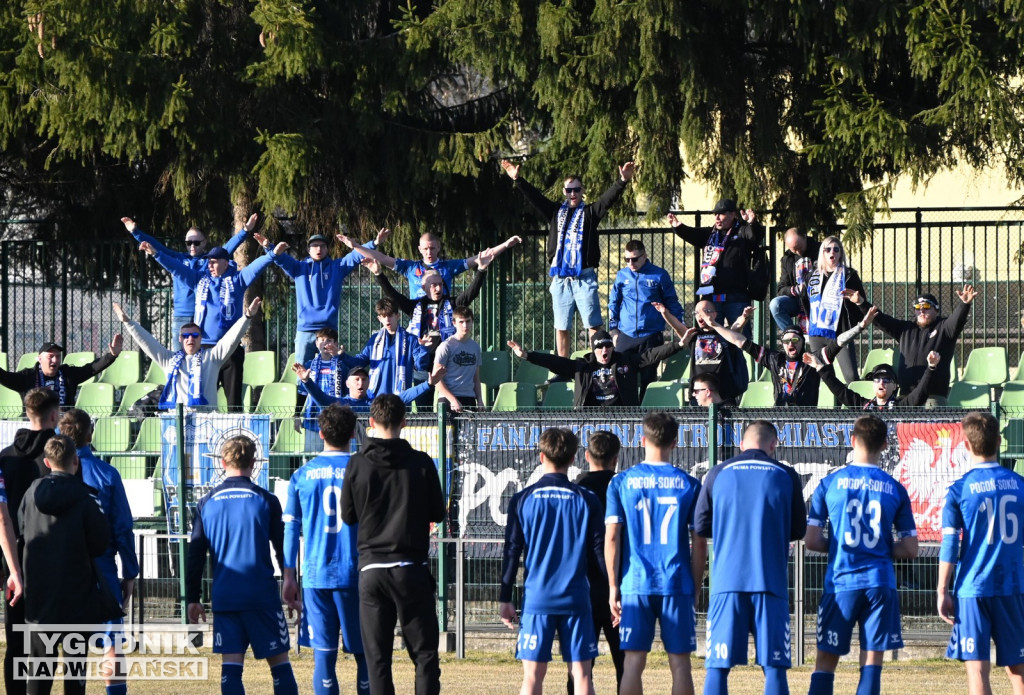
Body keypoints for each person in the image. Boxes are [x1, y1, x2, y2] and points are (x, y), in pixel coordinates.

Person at [804, 414, 919, 695]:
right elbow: (910, 548)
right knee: (871, 663)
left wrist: (843, 544)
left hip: (841, 582)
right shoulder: (895, 488)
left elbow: (811, 541)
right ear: (884, 445)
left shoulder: (829, 484)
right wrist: (877, 547)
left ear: (852, 440)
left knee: (825, 662)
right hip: (880, 582)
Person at [340, 394, 444, 695]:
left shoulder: (357, 464)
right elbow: (437, 512)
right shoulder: (421, 462)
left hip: (372, 568)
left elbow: (348, 515)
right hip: (410, 566)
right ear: (404, 422)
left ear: (371, 422)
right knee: (424, 655)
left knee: (378, 659)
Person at [694, 420, 807, 695]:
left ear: (742, 445)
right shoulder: (786, 475)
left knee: (718, 666)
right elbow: (798, 530)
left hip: (726, 583)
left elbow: (700, 525)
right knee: (774, 666)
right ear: (773, 445)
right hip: (770, 581)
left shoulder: (718, 473)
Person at [186, 435, 299, 695]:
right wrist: (292, 585)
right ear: (254, 462)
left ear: (223, 462)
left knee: (231, 669)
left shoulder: (207, 503)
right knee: (280, 666)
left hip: (226, 597)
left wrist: (193, 597)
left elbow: (195, 554)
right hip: (261, 596)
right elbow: (282, 549)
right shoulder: (266, 500)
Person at [605, 412, 706, 695]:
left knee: (633, 661)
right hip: (676, 582)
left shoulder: (622, 482)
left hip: (636, 583)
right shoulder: (689, 484)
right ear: (675, 442)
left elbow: (612, 536)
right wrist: (696, 586)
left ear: (642, 440)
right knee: (681, 664)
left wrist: (613, 587)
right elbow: (699, 542)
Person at [499, 427, 603, 695]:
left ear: (541, 456)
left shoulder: (523, 499)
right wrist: (612, 590)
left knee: (533, 677)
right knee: (582, 675)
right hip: (577, 598)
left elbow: (512, 549)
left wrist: (505, 596)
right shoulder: (587, 499)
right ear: (573, 459)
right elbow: (598, 551)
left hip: (537, 599)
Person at [19, 434, 124, 695]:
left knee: (38, 669)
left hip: (39, 596)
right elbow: (100, 543)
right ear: (76, 461)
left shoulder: (31, 494)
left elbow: (21, 533)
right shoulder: (87, 498)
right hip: (77, 594)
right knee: (75, 668)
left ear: (46, 462)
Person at [501, 158, 637, 357]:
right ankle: (562, 367)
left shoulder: (590, 212)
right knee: (561, 326)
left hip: (584, 277)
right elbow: (536, 198)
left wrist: (622, 181)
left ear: (582, 191)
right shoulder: (556, 212)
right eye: (568, 190)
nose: (572, 194)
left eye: (576, 190)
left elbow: (607, 200)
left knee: (593, 325)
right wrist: (518, 180)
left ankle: (598, 363)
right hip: (561, 279)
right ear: (564, 192)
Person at [282, 404, 369, 695]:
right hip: (357, 574)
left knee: (324, 655)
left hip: (316, 574)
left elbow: (291, 529)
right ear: (354, 435)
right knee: (365, 656)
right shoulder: (365, 471)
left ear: (320, 433)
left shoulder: (302, 475)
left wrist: (289, 575)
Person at [937, 412, 1024, 695]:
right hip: (1012, 586)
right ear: (999, 441)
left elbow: (950, 545)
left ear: (966, 446)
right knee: (1019, 672)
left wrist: (942, 590)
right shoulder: (1020, 485)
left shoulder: (959, 490)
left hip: (973, 588)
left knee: (977, 670)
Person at [58, 409, 140, 695]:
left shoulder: (50, 478)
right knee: (112, 644)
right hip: (103, 569)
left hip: (64, 571)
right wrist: (130, 572)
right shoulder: (106, 473)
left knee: (68, 643)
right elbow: (123, 527)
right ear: (90, 434)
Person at [139, 241, 273, 407]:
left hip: (229, 351)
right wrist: (155, 254)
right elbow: (175, 268)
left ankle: (235, 432)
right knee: (202, 399)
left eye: (214, 262)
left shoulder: (237, 280)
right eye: (208, 262)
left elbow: (255, 268)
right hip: (205, 354)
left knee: (233, 402)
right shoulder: (199, 280)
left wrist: (272, 254)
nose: (210, 265)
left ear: (225, 262)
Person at [361, 250, 495, 406]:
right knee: (424, 410)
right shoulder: (415, 306)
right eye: (433, 285)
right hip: (423, 367)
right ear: (424, 286)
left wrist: (481, 270)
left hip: (447, 367)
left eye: (439, 284)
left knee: (450, 407)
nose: (437, 288)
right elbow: (393, 296)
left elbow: (470, 293)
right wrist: (378, 275)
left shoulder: (451, 303)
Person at [254, 228, 388, 365]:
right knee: (303, 373)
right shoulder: (299, 268)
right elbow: (280, 258)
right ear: (308, 250)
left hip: (328, 330)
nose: (319, 249)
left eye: (322, 246)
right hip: (304, 331)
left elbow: (355, 256)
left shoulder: (338, 267)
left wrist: (375, 242)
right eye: (314, 246)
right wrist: (267, 246)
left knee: (330, 371)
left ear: (327, 249)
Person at [693, 304, 872, 407]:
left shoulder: (813, 359)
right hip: (780, 416)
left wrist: (861, 327)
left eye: (795, 340)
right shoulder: (774, 359)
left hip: (806, 420)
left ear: (803, 342)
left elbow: (839, 342)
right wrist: (715, 325)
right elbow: (740, 341)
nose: (790, 344)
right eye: (786, 341)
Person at [1, 388, 60, 695]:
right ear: (54, 416)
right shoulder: (57, 460)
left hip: (11, 560)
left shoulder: (4, 457)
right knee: (44, 644)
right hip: (47, 562)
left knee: (16, 643)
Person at [114, 298, 261, 411]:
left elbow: (230, 339)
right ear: (180, 339)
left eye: (195, 335)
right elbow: (147, 343)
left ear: (200, 338)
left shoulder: (212, 357)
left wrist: (247, 317)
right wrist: (128, 322)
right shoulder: (169, 359)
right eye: (186, 336)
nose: (190, 339)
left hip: (206, 420)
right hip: (178, 421)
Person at [122, 214, 256, 338]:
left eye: (196, 242)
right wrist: (135, 232)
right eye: (188, 242)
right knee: (179, 359)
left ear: (204, 242)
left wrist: (245, 231)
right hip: (181, 317)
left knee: (202, 359)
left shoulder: (210, 262)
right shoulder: (178, 259)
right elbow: (157, 247)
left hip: (203, 316)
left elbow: (228, 248)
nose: (192, 246)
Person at [850, 286, 977, 406]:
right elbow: (880, 318)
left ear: (936, 310)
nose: (921, 310)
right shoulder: (905, 329)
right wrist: (861, 302)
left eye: (926, 306)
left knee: (929, 429)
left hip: (932, 397)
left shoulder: (945, 328)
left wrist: (964, 305)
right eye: (917, 307)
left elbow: (957, 320)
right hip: (906, 397)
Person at [569, 431, 624, 693]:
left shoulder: (576, 491)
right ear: (616, 458)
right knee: (625, 664)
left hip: (584, 586)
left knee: (580, 667)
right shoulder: (623, 488)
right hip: (619, 585)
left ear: (587, 456)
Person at [507, 329, 684, 408]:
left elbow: (652, 354)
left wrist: (679, 344)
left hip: (621, 416)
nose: (604, 350)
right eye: (600, 347)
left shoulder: (626, 361)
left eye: (608, 346)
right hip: (590, 417)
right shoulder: (582, 367)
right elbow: (554, 362)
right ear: (594, 349)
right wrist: (527, 355)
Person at [668, 199, 765, 334]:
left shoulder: (742, 231)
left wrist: (752, 223)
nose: (717, 218)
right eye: (715, 214)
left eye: (721, 214)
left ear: (733, 215)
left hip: (736, 297)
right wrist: (677, 226)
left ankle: (741, 357)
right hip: (711, 297)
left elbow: (756, 235)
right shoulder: (710, 234)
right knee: (712, 339)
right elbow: (692, 233)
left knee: (741, 339)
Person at [338, 229, 520, 299]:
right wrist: (355, 246)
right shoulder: (410, 267)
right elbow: (382, 258)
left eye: (432, 248)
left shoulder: (448, 267)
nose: (429, 252)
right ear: (419, 249)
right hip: (419, 319)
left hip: (443, 320)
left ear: (438, 247)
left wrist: (505, 244)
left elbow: (480, 258)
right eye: (425, 249)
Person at [608, 239, 684, 392]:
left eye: (634, 259)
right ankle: (624, 413)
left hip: (650, 334)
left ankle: (647, 414)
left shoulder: (659, 275)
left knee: (647, 378)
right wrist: (613, 329)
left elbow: (672, 302)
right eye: (627, 259)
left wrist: (680, 328)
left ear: (645, 256)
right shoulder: (622, 275)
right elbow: (613, 303)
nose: (631, 263)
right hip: (626, 334)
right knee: (619, 374)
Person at [800, 235, 867, 383]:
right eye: (828, 249)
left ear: (841, 253)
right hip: (817, 334)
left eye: (836, 249)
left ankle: (856, 406)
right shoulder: (811, 277)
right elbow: (806, 301)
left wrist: (852, 323)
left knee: (851, 378)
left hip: (840, 334)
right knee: (825, 377)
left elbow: (861, 303)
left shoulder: (849, 276)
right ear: (822, 253)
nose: (832, 253)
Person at [338, 297, 431, 398]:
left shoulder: (411, 340)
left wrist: (423, 348)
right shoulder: (374, 340)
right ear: (379, 318)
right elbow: (359, 362)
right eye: (383, 316)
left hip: (400, 400)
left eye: (390, 315)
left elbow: (420, 365)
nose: (387, 319)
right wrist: (342, 355)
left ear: (398, 315)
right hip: (375, 399)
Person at [0, 336, 123, 408]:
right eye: (50, 356)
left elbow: (91, 369)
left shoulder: (68, 374)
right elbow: (4, 377)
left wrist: (112, 355)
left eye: (58, 356)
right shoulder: (28, 377)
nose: (55, 360)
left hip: (64, 427)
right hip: (38, 429)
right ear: (39, 359)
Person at [805, 349, 940, 410]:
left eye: (887, 380)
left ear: (895, 386)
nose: (881, 382)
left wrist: (932, 368)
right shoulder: (864, 405)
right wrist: (819, 367)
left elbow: (921, 391)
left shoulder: (902, 406)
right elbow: (840, 391)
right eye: (877, 380)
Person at [292, 364, 442, 413]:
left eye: (364, 379)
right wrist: (307, 381)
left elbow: (403, 397)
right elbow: (322, 399)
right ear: (347, 383)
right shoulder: (342, 404)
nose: (360, 383)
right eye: (356, 379)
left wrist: (428, 384)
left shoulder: (375, 404)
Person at [296, 328, 347, 452]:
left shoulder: (342, 366)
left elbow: (347, 394)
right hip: (313, 420)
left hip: (335, 421)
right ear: (316, 343)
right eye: (322, 340)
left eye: (329, 340)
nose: (325, 343)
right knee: (311, 456)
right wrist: (297, 416)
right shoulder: (308, 365)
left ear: (335, 344)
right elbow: (302, 393)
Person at [770, 227, 820, 331]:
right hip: (798, 299)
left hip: (820, 297)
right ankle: (793, 335)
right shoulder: (787, 259)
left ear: (805, 237)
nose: (797, 251)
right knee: (776, 305)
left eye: (799, 247)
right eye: (793, 249)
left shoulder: (821, 251)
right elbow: (781, 289)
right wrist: (796, 289)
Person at [433, 306, 482, 411]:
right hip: (447, 400)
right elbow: (436, 380)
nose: (465, 325)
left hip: (469, 399)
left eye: (468, 321)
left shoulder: (475, 347)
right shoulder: (446, 346)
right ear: (454, 323)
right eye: (461, 322)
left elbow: (476, 378)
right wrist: (453, 400)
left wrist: (480, 400)